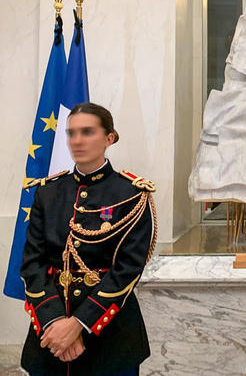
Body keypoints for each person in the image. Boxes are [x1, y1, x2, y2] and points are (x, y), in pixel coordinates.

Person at [20, 102, 157, 376]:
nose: (77, 140)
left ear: (109, 138)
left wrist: (78, 325)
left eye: (87, 132)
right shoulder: (48, 193)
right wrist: (54, 321)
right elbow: (32, 264)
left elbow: (127, 269)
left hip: (111, 340)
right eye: (71, 133)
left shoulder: (132, 195)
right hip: (50, 334)